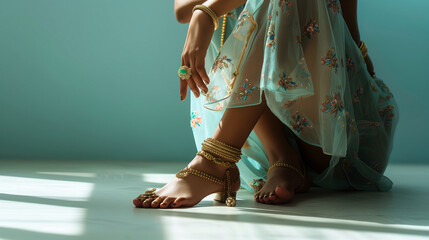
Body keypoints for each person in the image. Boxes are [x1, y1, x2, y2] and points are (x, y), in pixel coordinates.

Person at [133, 0, 399, 208]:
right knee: (226, 12)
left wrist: (207, 11)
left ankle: (214, 161)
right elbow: (182, 9)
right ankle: (282, 157)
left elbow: (348, 25)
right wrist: (208, 11)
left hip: (331, 137)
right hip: (260, 149)